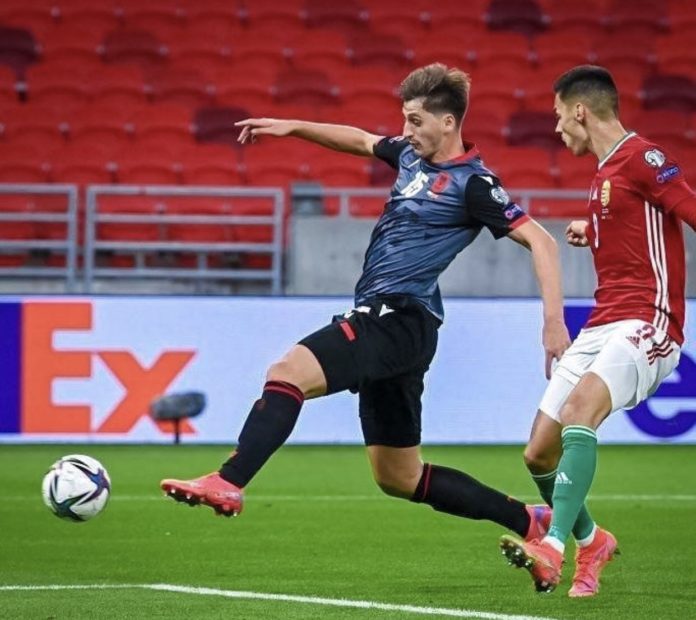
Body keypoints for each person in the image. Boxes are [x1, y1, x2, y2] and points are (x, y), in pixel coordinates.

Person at [161, 63, 571, 544]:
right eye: (404, 119)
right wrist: (293, 127)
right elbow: (359, 139)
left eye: (415, 120)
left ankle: (229, 481)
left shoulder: (474, 184)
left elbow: (542, 242)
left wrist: (553, 322)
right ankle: (529, 521)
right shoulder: (411, 157)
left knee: (288, 372)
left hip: (396, 318)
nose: (405, 131)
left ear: (448, 122)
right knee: (399, 476)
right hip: (403, 328)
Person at [499, 65, 696, 596]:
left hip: (648, 319)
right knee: (539, 452)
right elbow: (640, 224)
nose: (557, 127)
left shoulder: (644, 158)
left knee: (579, 409)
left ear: (580, 110)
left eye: (559, 115)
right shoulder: (605, 172)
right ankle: (593, 541)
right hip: (601, 322)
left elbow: (688, 210)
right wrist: (595, 229)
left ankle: (552, 546)